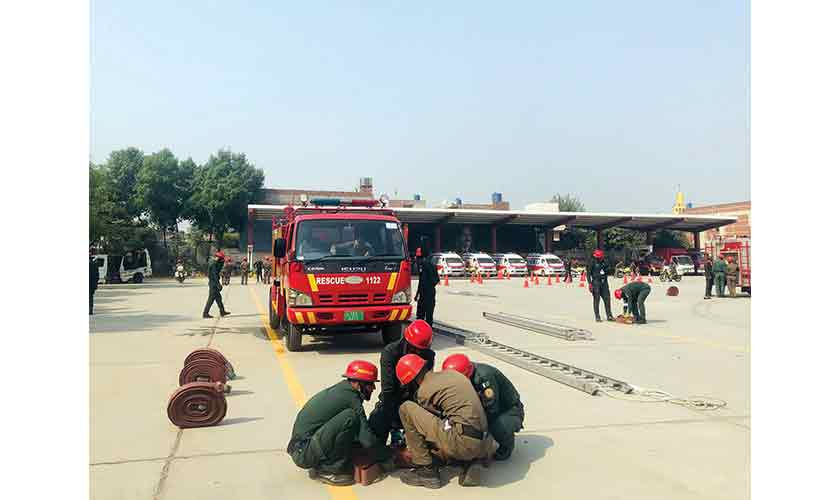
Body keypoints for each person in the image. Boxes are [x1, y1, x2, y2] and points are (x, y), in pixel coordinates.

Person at [396, 354, 497, 488]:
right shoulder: (453, 374)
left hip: (464, 444)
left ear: (412, 380)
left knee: (406, 409)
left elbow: (428, 425)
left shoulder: (424, 392)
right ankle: (471, 461)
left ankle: (426, 471)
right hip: (485, 441)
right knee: (455, 424)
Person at [287, 360, 393, 486]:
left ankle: (325, 462)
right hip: (303, 453)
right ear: (358, 384)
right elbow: (367, 439)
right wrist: (388, 455)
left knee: (353, 424)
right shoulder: (351, 399)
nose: (374, 388)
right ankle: (330, 470)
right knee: (350, 418)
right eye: (370, 384)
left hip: (303, 447)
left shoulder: (344, 391)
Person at [442, 354, 524, 461]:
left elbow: (491, 408)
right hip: (487, 405)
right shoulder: (464, 374)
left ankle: (506, 446)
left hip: (507, 410)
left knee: (498, 426)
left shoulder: (484, 378)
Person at [368, 320, 436, 445]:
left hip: (415, 399)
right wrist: (394, 425)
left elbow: (427, 387)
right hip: (393, 398)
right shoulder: (391, 353)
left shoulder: (428, 355)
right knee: (377, 422)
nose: (419, 353)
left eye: (422, 350)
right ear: (406, 342)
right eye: (415, 349)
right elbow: (388, 390)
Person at [586, 249, 614, 322]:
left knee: (607, 299)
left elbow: (609, 271)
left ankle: (609, 315)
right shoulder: (591, 262)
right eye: (598, 257)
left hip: (604, 282)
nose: (599, 258)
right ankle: (597, 316)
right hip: (596, 282)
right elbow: (588, 274)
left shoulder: (605, 262)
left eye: (600, 257)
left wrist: (609, 268)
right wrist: (590, 284)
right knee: (596, 300)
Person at [414, 247, 440, 326]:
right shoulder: (433, 265)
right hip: (431, 293)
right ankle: (429, 331)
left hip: (424, 294)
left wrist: (418, 294)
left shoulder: (423, 265)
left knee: (420, 315)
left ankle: (420, 331)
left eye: (418, 258)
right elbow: (437, 280)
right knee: (429, 315)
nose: (417, 260)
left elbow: (421, 282)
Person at [203, 251, 230, 319]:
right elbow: (215, 275)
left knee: (218, 299)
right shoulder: (214, 264)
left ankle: (222, 311)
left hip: (213, 283)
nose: (221, 260)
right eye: (221, 259)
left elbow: (219, 268)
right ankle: (205, 313)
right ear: (218, 258)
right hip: (213, 283)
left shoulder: (214, 263)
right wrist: (218, 284)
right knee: (211, 299)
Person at [89, 248, 99, 315]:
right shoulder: (94, 263)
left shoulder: (94, 263)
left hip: (91, 283)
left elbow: (96, 275)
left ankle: (90, 310)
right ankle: (90, 310)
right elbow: (96, 275)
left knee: (90, 297)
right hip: (91, 283)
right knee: (90, 297)